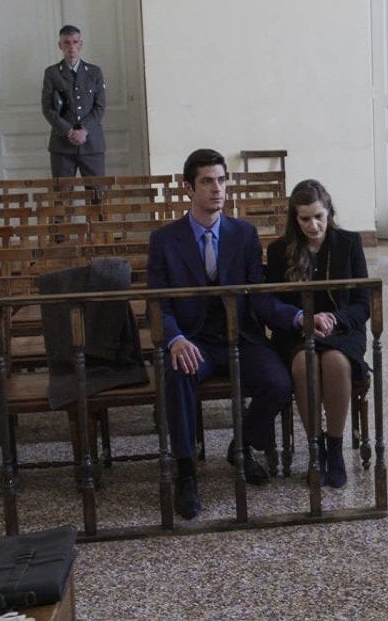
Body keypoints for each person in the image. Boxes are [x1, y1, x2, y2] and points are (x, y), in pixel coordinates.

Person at [147, 148, 304, 520]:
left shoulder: (243, 234)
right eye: (207, 181)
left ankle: (242, 446)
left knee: (279, 382)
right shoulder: (165, 240)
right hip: (194, 339)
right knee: (177, 373)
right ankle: (186, 472)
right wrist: (175, 339)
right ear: (189, 188)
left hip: (240, 337)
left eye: (221, 180)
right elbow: (157, 303)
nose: (217, 189)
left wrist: (297, 317)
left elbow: (259, 297)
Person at [265, 179, 371, 489]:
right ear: (294, 219)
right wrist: (303, 320)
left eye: (319, 217)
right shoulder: (279, 250)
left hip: (342, 329)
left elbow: (362, 303)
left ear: (329, 212)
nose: (313, 225)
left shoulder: (349, 242)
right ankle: (315, 449)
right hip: (298, 331)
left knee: (335, 362)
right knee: (304, 363)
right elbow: (273, 305)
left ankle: (334, 449)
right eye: (305, 219)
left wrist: (335, 319)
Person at [41, 25, 106, 179]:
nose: (71, 47)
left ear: (80, 44)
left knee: (97, 191)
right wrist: (69, 131)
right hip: (62, 145)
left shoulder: (94, 72)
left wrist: (84, 130)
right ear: (60, 45)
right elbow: (48, 108)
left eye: (75, 42)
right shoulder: (52, 73)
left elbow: (100, 106)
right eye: (67, 42)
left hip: (91, 143)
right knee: (62, 192)